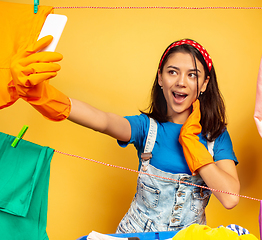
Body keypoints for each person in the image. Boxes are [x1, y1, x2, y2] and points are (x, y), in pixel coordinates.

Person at [9, 36, 241, 233]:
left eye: (192, 75)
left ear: (204, 84)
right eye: (173, 72)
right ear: (160, 78)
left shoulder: (216, 136)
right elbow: (103, 120)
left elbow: (230, 198)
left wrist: (192, 144)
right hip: (135, 235)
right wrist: (43, 96)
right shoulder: (146, 128)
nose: (181, 82)